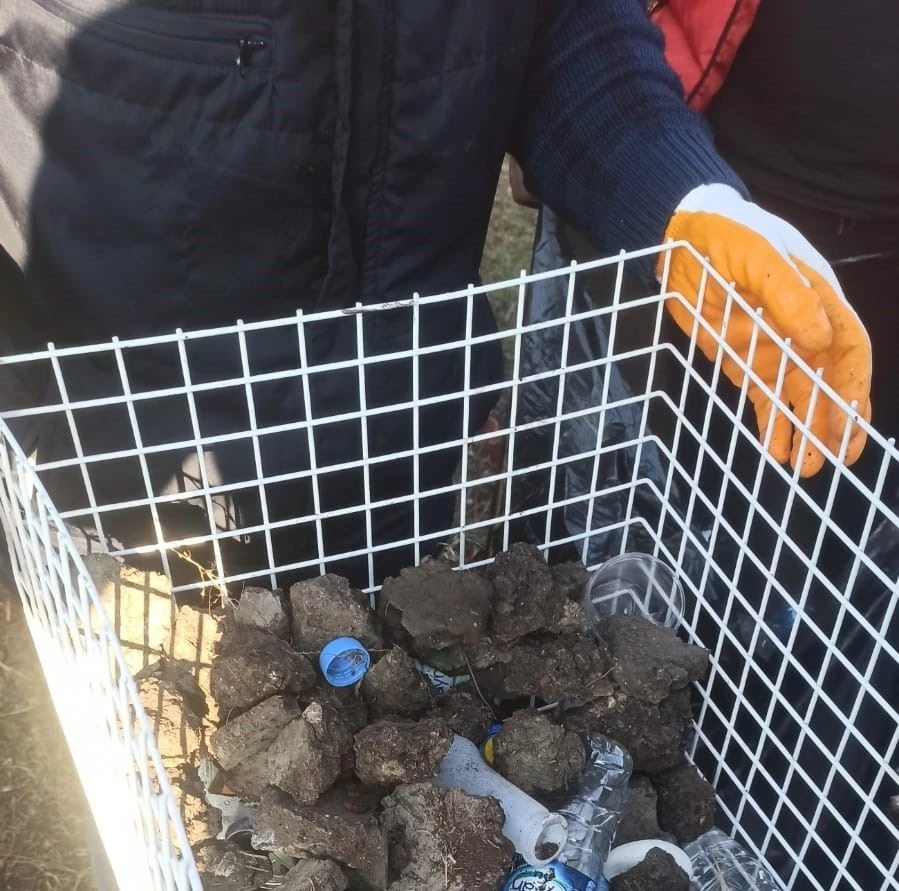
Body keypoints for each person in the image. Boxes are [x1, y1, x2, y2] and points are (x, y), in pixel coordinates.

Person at [0, 0, 871, 591]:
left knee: (364, 720)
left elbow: (558, 25)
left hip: (392, 446)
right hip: (114, 468)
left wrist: (677, 197)